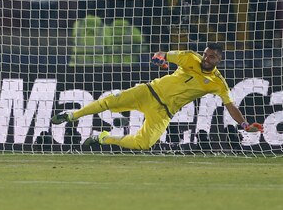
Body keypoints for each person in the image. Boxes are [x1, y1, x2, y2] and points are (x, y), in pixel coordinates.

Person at [52, 43, 264, 150]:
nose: (207, 58)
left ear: (219, 60)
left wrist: (245, 125)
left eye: (213, 57)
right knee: (109, 101)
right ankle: (72, 115)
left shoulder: (218, 83)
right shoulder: (189, 57)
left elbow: (230, 105)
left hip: (163, 111)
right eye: (207, 54)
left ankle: (102, 138)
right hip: (148, 92)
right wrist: (160, 60)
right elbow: (162, 54)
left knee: (144, 144)